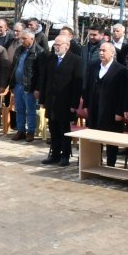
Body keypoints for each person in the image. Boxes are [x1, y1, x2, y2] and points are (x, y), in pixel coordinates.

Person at [40, 34, 83, 165]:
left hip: (66, 102)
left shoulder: (76, 60)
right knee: (53, 129)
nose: (56, 47)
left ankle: (65, 155)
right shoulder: (51, 58)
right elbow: (45, 80)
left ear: (67, 45)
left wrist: (73, 104)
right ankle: (55, 154)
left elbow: (77, 85)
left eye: (58, 45)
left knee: (64, 130)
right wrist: (42, 99)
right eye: (55, 45)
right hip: (51, 100)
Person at [83, 41, 128, 164]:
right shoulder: (93, 66)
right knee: (94, 136)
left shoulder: (121, 70)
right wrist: (86, 104)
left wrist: (119, 112)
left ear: (112, 53)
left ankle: (111, 163)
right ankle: (95, 161)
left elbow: (123, 94)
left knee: (110, 138)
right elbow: (87, 87)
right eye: (100, 51)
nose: (101, 53)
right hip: (94, 108)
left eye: (104, 51)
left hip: (111, 111)